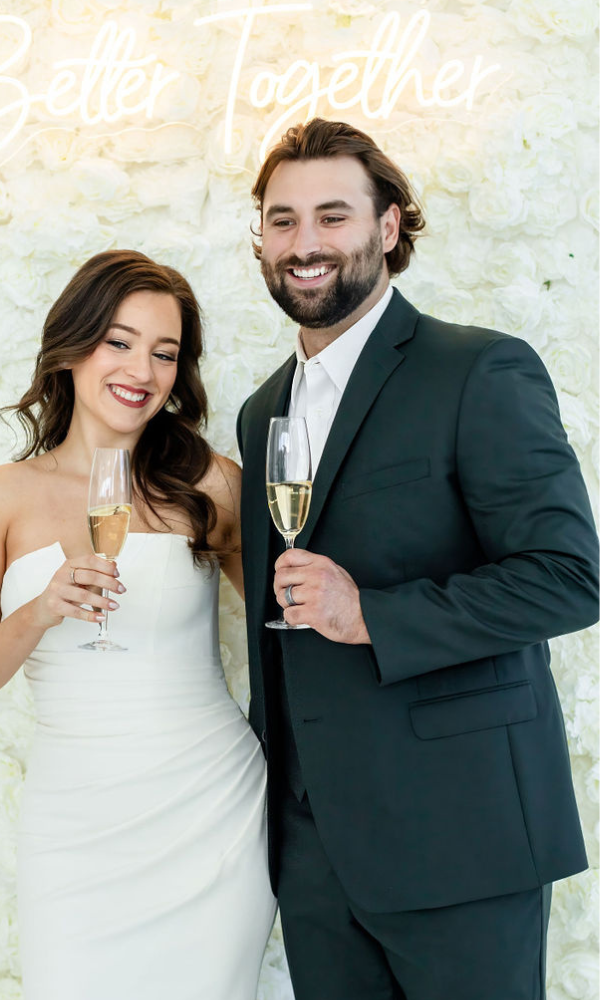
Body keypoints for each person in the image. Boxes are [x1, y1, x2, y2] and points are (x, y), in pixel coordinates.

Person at [236, 117, 599, 1000]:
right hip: (316, 858)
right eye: (282, 221)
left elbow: (569, 577)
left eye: (332, 216)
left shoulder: (478, 371)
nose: (304, 244)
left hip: (462, 839)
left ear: (389, 228)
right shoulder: (260, 413)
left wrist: (372, 615)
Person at [0, 249, 274, 1000]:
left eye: (166, 352)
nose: (141, 368)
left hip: (210, 809)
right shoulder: (2, 495)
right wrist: (43, 608)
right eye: (120, 340)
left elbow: (289, 621)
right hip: (75, 821)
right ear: (73, 347)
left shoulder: (210, 481)